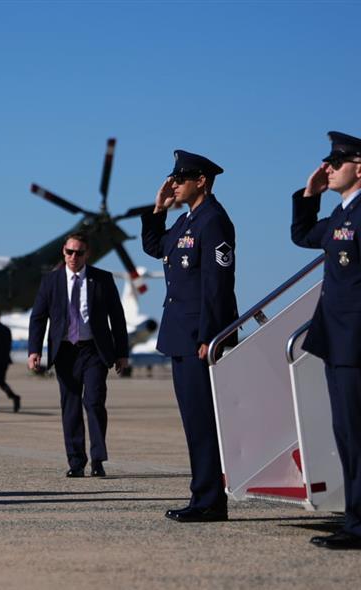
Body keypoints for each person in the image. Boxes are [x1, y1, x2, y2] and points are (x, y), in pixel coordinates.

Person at [141, 150, 237, 522]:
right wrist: (158, 208)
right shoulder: (186, 221)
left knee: (202, 421)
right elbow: (154, 247)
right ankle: (204, 496)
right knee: (193, 421)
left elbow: (217, 284)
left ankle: (210, 500)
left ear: (202, 181)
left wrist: (210, 337)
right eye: (173, 179)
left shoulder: (213, 221)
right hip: (181, 335)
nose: (174, 184)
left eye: (181, 179)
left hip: (199, 337)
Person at [291, 131, 361, 550]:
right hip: (337, 345)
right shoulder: (343, 214)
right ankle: (357, 519)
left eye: (335, 162)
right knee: (347, 436)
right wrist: (310, 194)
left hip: (357, 346)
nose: (328, 167)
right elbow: (303, 236)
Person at [28, 233, 129, 478]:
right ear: (63, 252)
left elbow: (117, 317)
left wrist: (121, 353)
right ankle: (76, 462)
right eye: (69, 252)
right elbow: (39, 317)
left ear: (87, 254)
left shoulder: (102, 279)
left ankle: (97, 459)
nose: (74, 257)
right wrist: (34, 350)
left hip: (94, 350)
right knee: (70, 406)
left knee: (94, 402)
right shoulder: (50, 281)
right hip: (64, 352)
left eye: (79, 252)